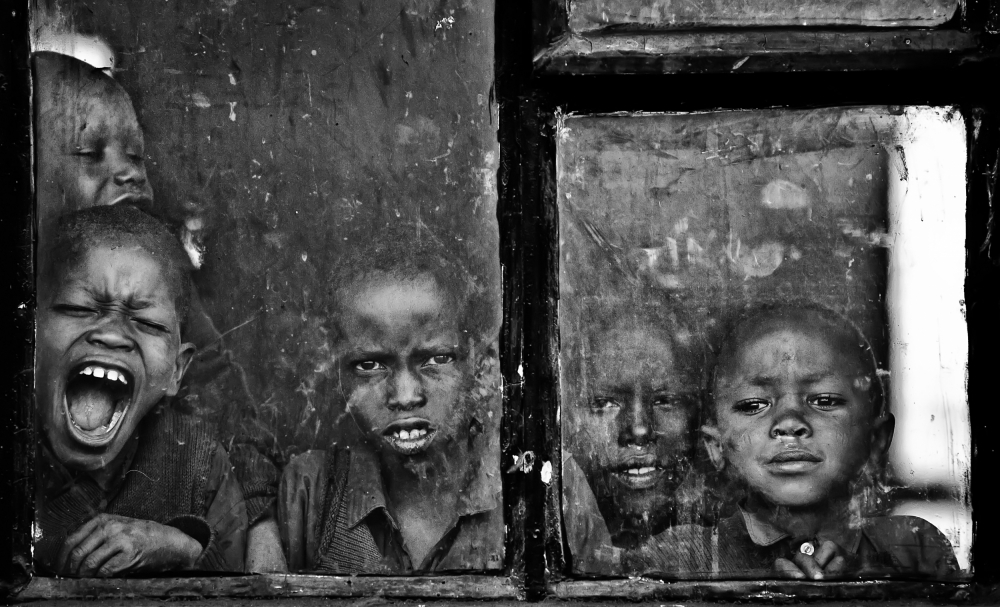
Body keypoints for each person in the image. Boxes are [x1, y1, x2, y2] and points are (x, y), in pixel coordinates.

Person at [33, 50, 285, 572]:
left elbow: (226, 405)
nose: (129, 174)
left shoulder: (160, 291)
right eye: (91, 153)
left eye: (136, 156)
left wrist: (260, 525)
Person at [34, 205, 247, 576]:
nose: (113, 335)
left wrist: (183, 548)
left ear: (177, 370)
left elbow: (245, 585)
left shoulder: (198, 463)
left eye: (148, 324)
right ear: (30, 334)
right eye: (79, 308)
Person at [279, 226, 503, 573]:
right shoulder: (312, 491)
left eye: (437, 359)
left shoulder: (529, 484)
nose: (405, 396)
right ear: (337, 374)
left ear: (483, 368)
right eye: (369, 366)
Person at [690, 302, 961, 579]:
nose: (790, 423)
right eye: (754, 405)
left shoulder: (913, 548)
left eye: (824, 401)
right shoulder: (686, 555)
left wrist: (868, 583)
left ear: (876, 439)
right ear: (716, 446)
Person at [561, 299, 714, 575]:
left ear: (700, 413)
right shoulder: (558, 538)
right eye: (605, 404)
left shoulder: (726, 545)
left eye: (665, 400)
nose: (640, 429)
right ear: (568, 418)